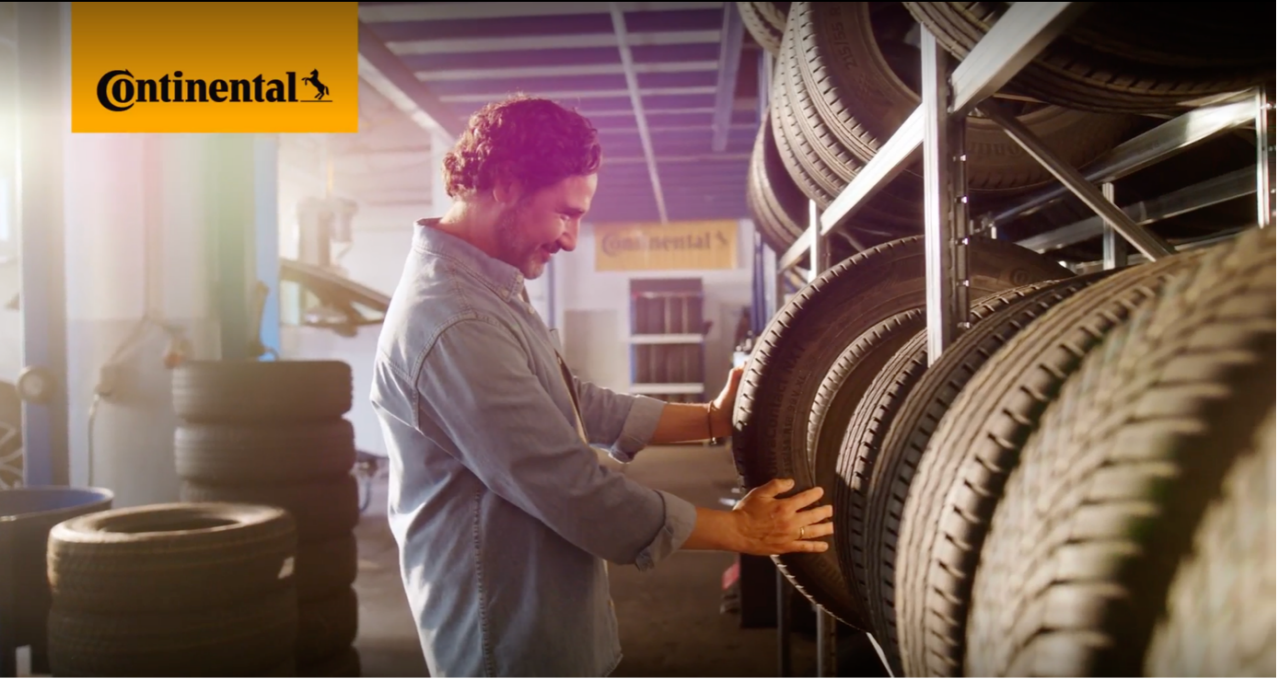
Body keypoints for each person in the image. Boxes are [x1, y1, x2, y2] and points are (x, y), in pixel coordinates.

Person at [369, 93, 834, 678]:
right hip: (508, 640)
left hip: (546, 611)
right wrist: (738, 529)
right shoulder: (456, 320)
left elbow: (570, 401)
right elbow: (569, 487)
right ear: (506, 184)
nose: (570, 239)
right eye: (566, 213)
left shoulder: (486, 288)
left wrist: (710, 419)